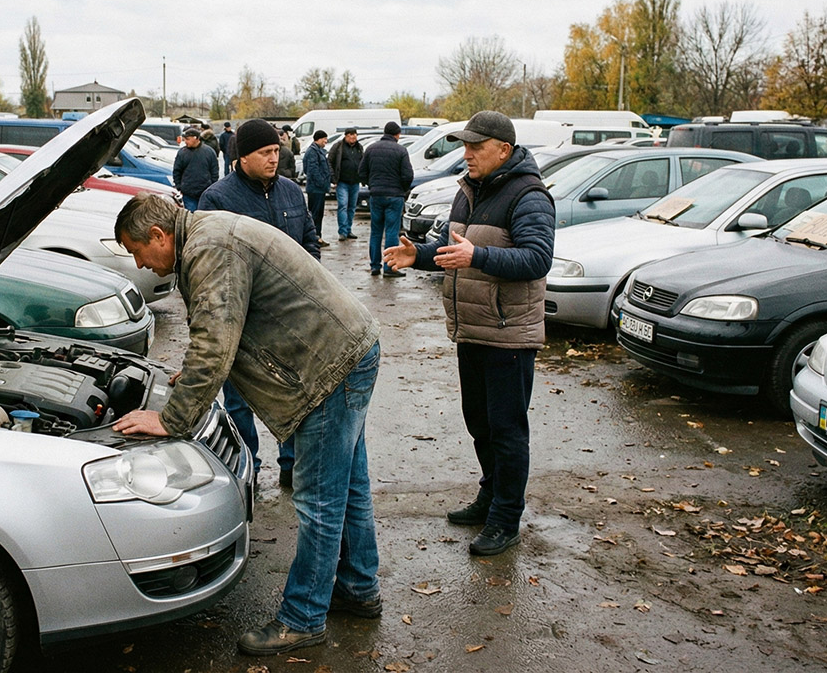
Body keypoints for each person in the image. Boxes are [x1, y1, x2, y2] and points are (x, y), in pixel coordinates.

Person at [112, 192, 382, 656]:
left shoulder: (209, 247)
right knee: (347, 487)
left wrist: (172, 418)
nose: (142, 264)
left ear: (158, 235)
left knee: (318, 498)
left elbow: (215, 342)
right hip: (346, 351)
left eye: (137, 252)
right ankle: (358, 588)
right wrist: (194, 374)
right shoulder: (207, 233)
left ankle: (304, 618)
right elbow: (223, 332)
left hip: (327, 366)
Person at [383, 110, 554, 557]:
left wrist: (477, 256)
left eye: (476, 147)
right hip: (472, 329)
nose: (467, 154)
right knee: (480, 423)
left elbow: (537, 260)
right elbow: (451, 249)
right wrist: (417, 255)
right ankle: (489, 496)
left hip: (508, 333)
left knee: (507, 429)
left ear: (504, 150)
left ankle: (506, 517)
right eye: (465, 146)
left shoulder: (529, 194)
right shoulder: (468, 190)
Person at [199, 119, 319, 488]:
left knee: (293, 397)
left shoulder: (290, 192)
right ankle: (246, 470)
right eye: (265, 153)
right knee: (239, 404)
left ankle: (290, 466)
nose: (274, 158)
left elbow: (310, 242)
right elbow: (209, 264)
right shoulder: (217, 199)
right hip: (244, 322)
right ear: (242, 157)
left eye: (276, 151)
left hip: (290, 318)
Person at [358, 121, 413, 278]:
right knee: (391, 231)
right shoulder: (401, 150)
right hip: (394, 196)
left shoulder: (371, 149)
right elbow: (408, 175)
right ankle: (389, 268)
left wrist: (371, 184)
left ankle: (375, 266)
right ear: (397, 134)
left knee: (375, 232)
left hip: (376, 195)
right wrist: (402, 189)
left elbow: (361, 171)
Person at [328, 127, 363, 241]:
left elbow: (363, 162)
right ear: (346, 136)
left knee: (352, 207)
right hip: (342, 182)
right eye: (350, 135)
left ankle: (348, 230)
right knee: (343, 205)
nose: (353, 137)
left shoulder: (359, 147)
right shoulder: (338, 146)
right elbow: (329, 161)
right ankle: (342, 231)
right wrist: (333, 178)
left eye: (354, 135)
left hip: (355, 182)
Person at [172, 126, 219, 211]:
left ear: (196, 138)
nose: (185, 141)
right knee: (192, 218)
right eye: (184, 139)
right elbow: (177, 171)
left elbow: (214, 171)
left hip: (205, 192)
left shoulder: (209, 152)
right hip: (188, 193)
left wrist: (212, 186)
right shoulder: (182, 153)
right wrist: (179, 187)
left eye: (188, 139)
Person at [303, 130, 332, 246]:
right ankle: (313, 239)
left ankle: (317, 237)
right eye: (324, 138)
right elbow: (312, 170)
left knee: (318, 214)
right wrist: (321, 182)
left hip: (319, 188)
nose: (326, 141)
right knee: (315, 214)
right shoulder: (312, 152)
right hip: (316, 189)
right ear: (318, 139)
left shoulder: (317, 151)